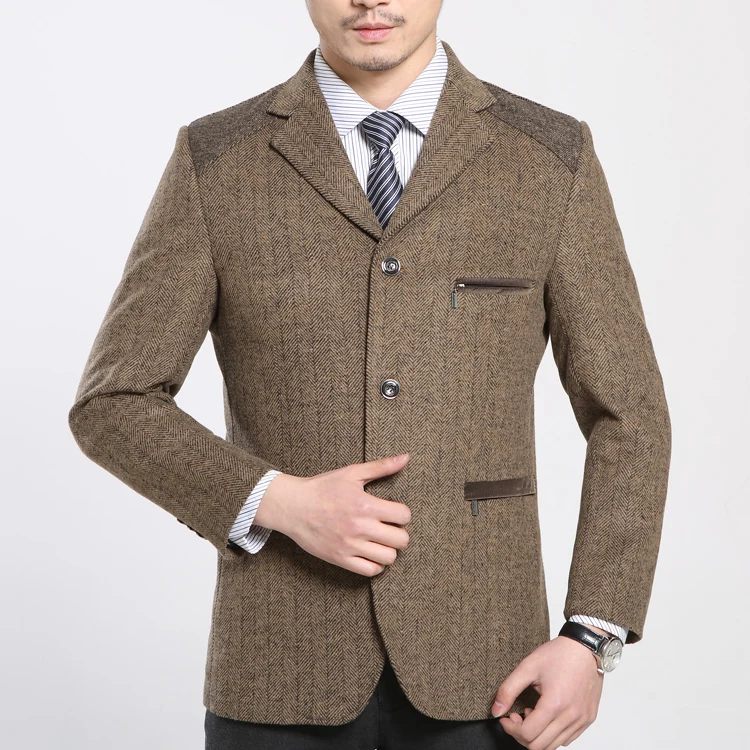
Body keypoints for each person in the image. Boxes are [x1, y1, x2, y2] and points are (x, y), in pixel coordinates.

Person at [68, 1, 672, 748]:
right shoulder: (218, 158)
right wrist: (277, 501)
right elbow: (113, 402)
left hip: (493, 670)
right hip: (279, 669)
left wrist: (593, 634)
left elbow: (629, 414)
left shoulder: (548, 156)